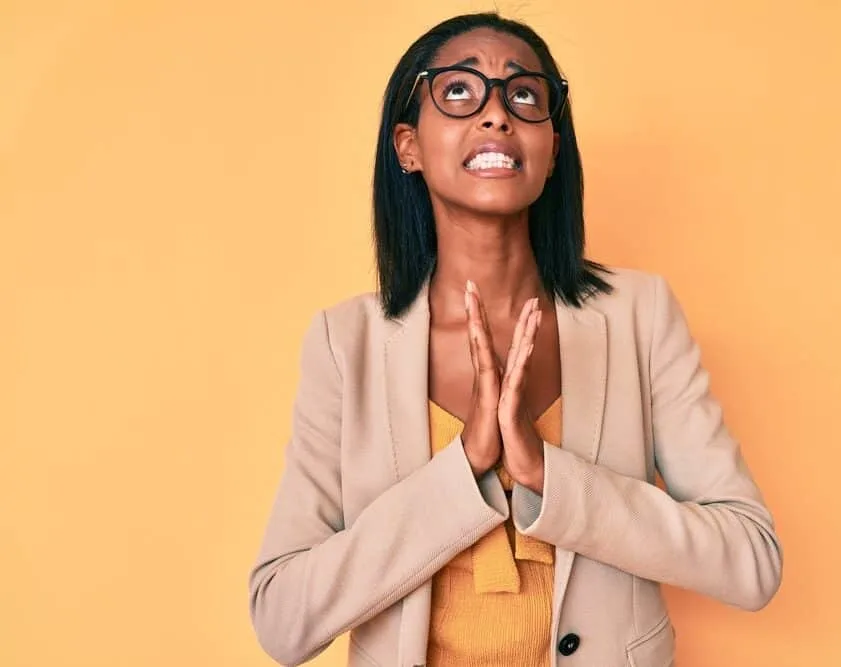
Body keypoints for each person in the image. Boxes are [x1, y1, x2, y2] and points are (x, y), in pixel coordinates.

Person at [248, 11, 782, 667]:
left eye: (524, 94)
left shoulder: (641, 315)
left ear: (553, 147)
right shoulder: (345, 342)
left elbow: (751, 560)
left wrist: (547, 475)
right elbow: (281, 617)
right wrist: (464, 465)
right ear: (408, 146)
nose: (497, 114)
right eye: (459, 91)